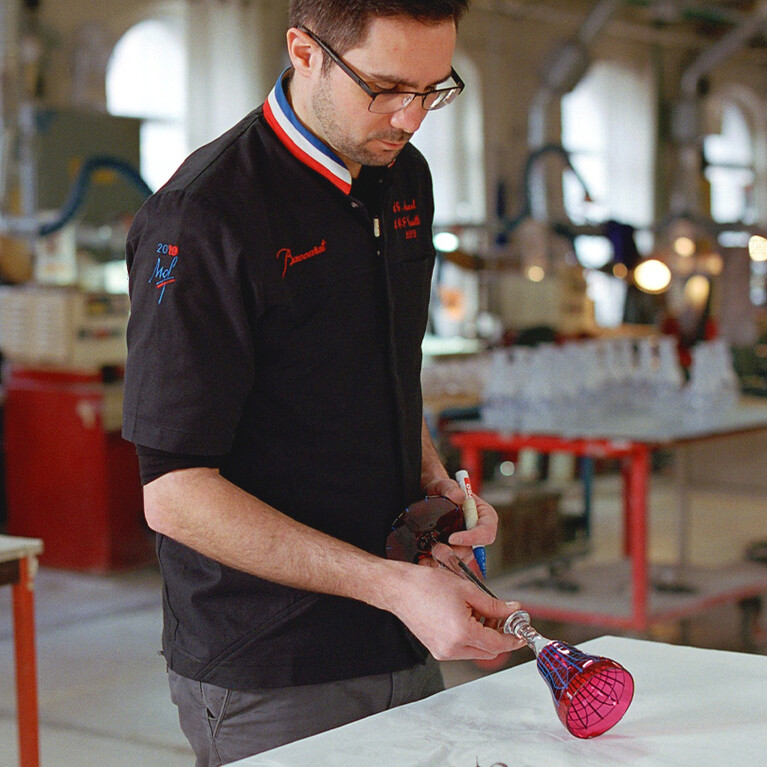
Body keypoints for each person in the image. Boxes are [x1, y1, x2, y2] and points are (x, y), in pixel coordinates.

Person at [122, 1, 524, 763]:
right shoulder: (205, 216)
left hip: (400, 628)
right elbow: (173, 494)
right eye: (384, 86)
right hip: (272, 662)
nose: (409, 118)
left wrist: (433, 481)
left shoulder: (401, 176)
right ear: (303, 51)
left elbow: (376, 360)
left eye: (434, 90)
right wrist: (392, 586)